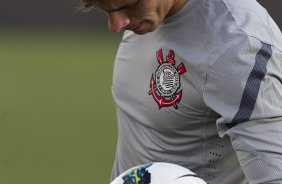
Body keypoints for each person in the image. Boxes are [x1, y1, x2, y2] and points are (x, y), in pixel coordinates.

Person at [80, 0, 282, 183]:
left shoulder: (237, 47)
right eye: (106, 11)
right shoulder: (149, 16)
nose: (116, 25)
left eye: (128, 5)